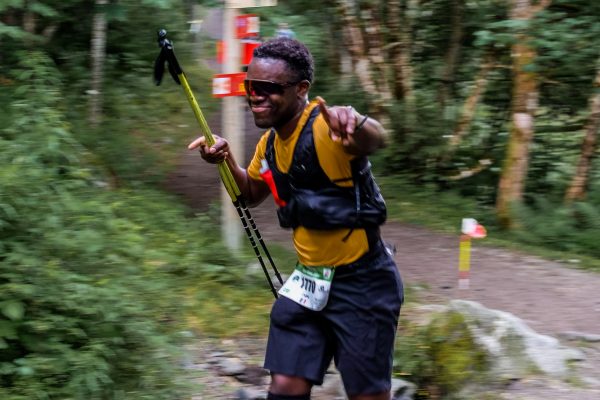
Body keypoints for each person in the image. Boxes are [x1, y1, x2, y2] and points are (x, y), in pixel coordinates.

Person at [188, 37, 403, 400]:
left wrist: (357, 120)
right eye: (250, 86)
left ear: (301, 89)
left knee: (367, 394)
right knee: (285, 386)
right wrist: (224, 160)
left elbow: (372, 140)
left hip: (364, 282)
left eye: (267, 88)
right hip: (309, 281)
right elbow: (249, 194)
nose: (254, 95)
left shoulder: (327, 128)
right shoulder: (270, 144)